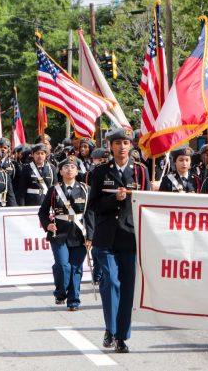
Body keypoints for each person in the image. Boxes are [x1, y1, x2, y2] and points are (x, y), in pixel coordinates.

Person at [88, 128, 150, 353]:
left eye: (126, 142)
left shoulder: (141, 172)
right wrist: (114, 199)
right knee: (110, 282)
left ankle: (122, 336)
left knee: (127, 288)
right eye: (118, 143)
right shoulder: (100, 172)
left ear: (131, 145)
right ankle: (111, 328)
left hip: (130, 237)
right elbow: (93, 205)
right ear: (110, 146)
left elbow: (148, 206)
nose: (122, 147)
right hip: (106, 237)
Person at [38, 155, 94, 311]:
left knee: (76, 267)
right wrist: (47, 225)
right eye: (66, 167)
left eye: (73, 167)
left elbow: (90, 214)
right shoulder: (54, 190)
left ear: (77, 171)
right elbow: (42, 212)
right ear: (61, 171)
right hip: (59, 234)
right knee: (63, 266)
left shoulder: (85, 189)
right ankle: (60, 292)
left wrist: (90, 236)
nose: (70, 169)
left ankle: (73, 300)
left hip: (79, 233)